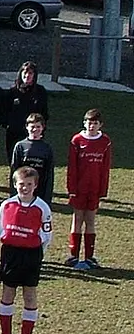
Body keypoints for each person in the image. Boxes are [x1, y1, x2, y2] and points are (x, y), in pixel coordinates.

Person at [0, 166, 51, 334]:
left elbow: (47, 234)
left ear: (35, 185)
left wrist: (35, 249)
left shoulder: (42, 207)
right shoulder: (7, 205)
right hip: (10, 254)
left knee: (29, 295)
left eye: (29, 184)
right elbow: (0, 228)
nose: (25, 188)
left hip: (31, 255)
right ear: (15, 184)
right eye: (21, 184)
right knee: (8, 292)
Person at [66, 107, 111, 270]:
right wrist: (72, 188)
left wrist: (102, 190)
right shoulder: (77, 140)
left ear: (100, 125)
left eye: (95, 123)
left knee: (90, 220)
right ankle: (73, 255)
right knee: (77, 219)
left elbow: (105, 167)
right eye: (89, 123)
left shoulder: (105, 141)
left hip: (94, 189)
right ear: (84, 123)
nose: (92, 126)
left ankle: (89, 257)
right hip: (79, 188)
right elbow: (72, 167)